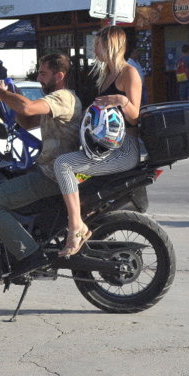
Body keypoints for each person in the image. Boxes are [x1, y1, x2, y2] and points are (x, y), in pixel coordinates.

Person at [0, 53, 82, 280]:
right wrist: (13, 98)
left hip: (52, 175)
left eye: (43, 74)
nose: (39, 78)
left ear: (59, 75)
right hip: (47, 170)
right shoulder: (55, 100)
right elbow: (27, 119)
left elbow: (28, 109)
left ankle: (30, 255)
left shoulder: (63, 97)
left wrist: (3, 95)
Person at [52, 26, 142, 257]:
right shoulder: (106, 74)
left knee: (63, 164)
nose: (94, 49)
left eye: (98, 44)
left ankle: (76, 227)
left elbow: (135, 116)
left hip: (124, 151)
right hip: (103, 149)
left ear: (111, 45)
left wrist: (121, 99)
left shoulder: (128, 73)